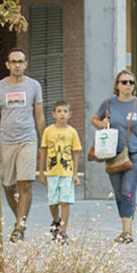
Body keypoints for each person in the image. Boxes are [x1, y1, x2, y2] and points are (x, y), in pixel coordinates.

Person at [91, 68, 137, 245]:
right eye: (123, 82)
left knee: (128, 190)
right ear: (117, 85)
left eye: (131, 82)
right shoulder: (109, 103)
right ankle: (124, 225)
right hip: (113, 154)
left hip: (134, 153)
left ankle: (127, 232)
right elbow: (94, 119)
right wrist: (101, 123)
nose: (127, 85)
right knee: (119, 193)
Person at [0, 47, 45, 242]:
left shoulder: (34, 86)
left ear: (25, 64)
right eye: (13, 62)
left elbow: (39, 115)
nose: (17, 65)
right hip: (5, 140)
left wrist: (44, 142)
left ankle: (20, 225)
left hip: (27, 138)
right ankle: (20, 217)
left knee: (25, 183)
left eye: (20, 61)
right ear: (7, 65)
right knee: (9, 186)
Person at [39, 100, 82, 242]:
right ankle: (56, 221)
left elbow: (75, 153)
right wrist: (41, 171)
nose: (62, 114)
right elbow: (43, 151)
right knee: (53, 203)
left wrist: (75, 174)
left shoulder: (72, 132)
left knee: (65, 201)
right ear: (53, 114)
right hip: (52, 172)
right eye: (59, 111)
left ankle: (63, 231)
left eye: (65, 111)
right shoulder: (48, 131)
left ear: (70, 114)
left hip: (66, 172)